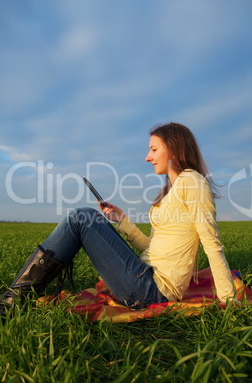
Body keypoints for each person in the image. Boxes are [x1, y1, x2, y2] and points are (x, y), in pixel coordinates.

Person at [0, 122, 236, 318]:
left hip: (153, 291)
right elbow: (153, 249)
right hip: (145, 276)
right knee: (83, 217)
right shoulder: (172, 189)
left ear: (173, 148)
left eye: (153, 149)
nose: (147, 157)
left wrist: (229, 300)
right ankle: (15, 298)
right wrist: (122, 220)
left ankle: (10, 302)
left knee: (82, 217)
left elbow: (211, 241)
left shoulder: (193, 182)